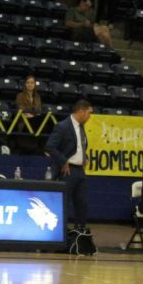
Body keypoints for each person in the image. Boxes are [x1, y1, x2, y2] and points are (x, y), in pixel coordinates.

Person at [45, 99, 92, 231]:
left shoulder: (81, 127)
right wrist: (63, 160)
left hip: (80, 170)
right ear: (81, 111)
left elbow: (78, 147)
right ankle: (59, 232)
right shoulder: (63, 126)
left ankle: (80, 232)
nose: (90, 116)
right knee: (63, 203)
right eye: (89, 113)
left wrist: (85, 157)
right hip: (67, 170)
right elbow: (50, 147)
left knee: (82, 203)